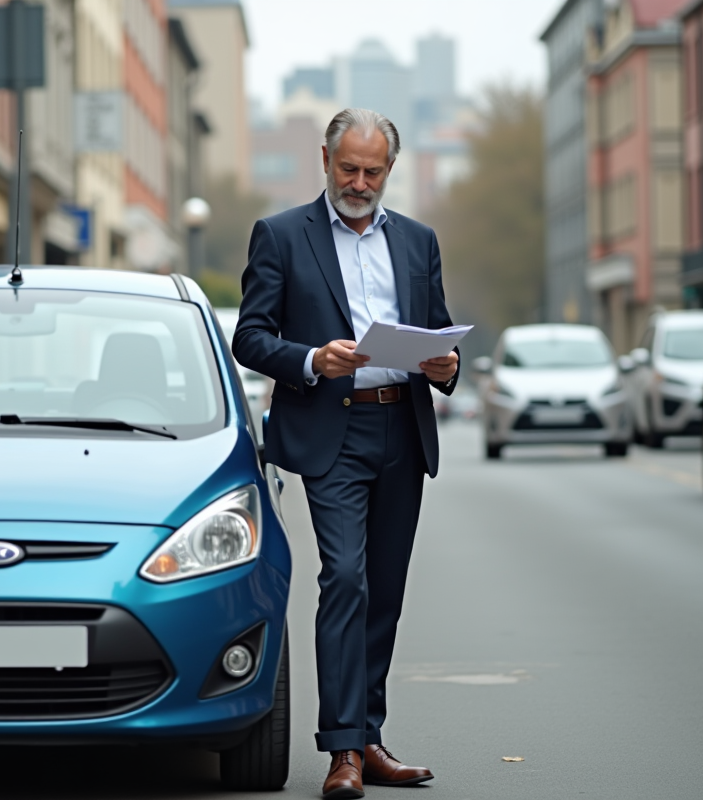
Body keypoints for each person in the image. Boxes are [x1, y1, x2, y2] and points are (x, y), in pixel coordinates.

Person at [232, 108, 458, 799]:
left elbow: (441, 337)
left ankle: (369, 738)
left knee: (383, 592)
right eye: (348, 168)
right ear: (324, 161)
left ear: (390, 169)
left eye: (373, 171)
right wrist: (309, 359)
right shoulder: (280, 236)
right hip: (333, 431)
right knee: (347, 580)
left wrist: (448, 366)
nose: (360, 182)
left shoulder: (418, 242)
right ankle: (342, 753)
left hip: (402, 428)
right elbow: (250, 336)